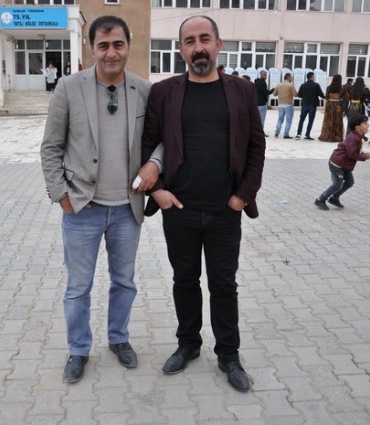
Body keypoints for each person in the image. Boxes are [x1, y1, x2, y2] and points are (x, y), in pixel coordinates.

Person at [141, 15, 266, 393]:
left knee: (224, 284)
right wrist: (157, 192)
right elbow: (147, 145)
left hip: (225, 210)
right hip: (178, 208)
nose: (198, 47)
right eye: (190, 41)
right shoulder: (164, 92)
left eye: (205, 39)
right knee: (184, 280)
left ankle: (229, 354)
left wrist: (242, 195)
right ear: (181, 49)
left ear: (218, 44)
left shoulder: (242, 91)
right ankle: (188, 344)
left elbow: (256, 146)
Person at [40, 15, 163, 384]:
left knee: (124, 282)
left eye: (118, 45)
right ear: (92, 48)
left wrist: (155, 164)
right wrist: (61, 195)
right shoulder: (68, 88)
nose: (111, 53)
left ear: (128, 46)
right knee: (78, 287)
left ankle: (118, 338)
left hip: (127, 208)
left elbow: (162, 138)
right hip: (82, 209)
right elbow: (50, 148)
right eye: (103, 45)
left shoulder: (144, 90)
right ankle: (78, 349)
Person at [314, 115, 370, 210]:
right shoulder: (353, 138)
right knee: (337, 184)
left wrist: (362, 154)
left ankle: (334, 198)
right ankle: (320, 200)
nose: (368, 125)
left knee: (349, 182)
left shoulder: (358, 136)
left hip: (344, 164)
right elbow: (352, 154)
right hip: (337, 164)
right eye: (365, 124)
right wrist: (364, 156)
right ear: (358, 127)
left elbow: (353, 151)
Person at [295, 71, 325, 140]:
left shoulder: (303, 85)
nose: (314, 77)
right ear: (311, 77)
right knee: (310, 120)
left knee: (301, 119)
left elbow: (299, 95)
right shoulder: (316, 85)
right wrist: (325, 97)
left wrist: (305, 96)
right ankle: (307, 134)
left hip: (304, 104)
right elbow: (321, 94)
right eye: (314, 76)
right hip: (313, 105)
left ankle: (298, 134)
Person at [319, 74, 347, 143]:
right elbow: (347, 96)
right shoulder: (342, 88)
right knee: (337, 121)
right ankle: (337, 136)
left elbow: (326, 97)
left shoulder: (329, 87)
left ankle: (328, 136)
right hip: (338, 106)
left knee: (328, 120)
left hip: (330, 106)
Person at [273, 73, 298, 139]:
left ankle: (277, 133)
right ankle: (286, 134)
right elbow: (295, 94)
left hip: (280, 104)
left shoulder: (279, 85)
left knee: (280, 119)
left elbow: (274, 94)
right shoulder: (290, 85)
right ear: (288, 77)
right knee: (288, 120)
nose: (292, 78)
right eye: (291, 77)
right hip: (288, 104)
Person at [254, 70, 273, 136]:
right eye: (265, 75)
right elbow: (266, 92)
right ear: (262, 75)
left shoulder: (256, 82)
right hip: (262, 103)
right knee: (262, 119)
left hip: (256, 103)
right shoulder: (263, 83)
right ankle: (261, 132)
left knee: (256, 118)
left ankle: (255, 132)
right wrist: (272, 90)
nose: (266, 77)